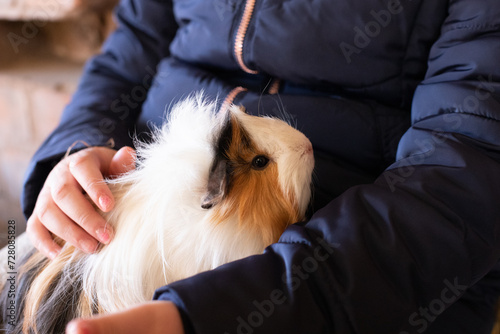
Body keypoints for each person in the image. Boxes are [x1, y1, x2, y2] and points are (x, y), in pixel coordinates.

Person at [21, 0, 500, 333]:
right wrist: (75, 154)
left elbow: (462, 176)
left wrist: (220, 316)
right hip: (141, 220)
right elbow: (128, 56)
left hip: (357, 272)